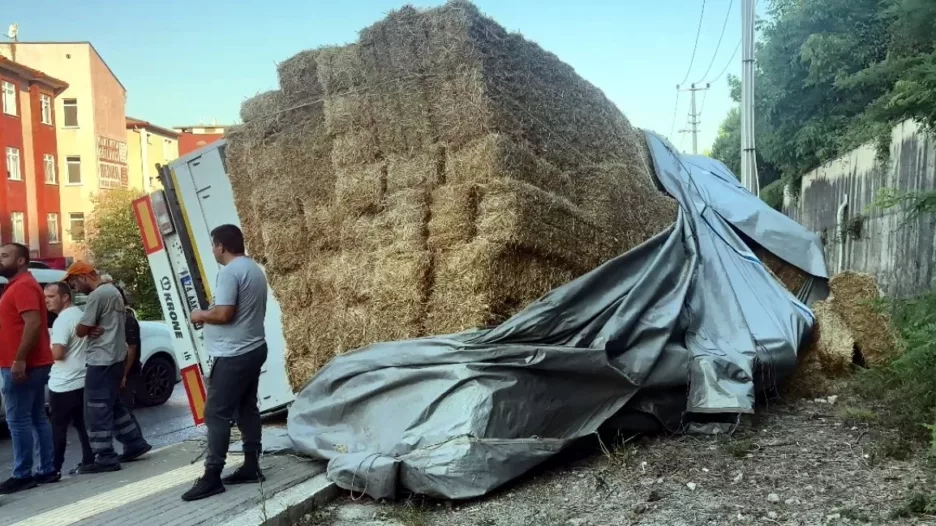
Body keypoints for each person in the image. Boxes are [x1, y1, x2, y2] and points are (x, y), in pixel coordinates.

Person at [182, 224, 268, 501]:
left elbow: (224, 314)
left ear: (220, 246)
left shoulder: (230, 273)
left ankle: (212, 476)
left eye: (212, 245)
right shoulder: (254, 269)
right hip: (254, 346)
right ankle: (252, 466)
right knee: (246, 408)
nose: (212, 250)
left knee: (216, 413)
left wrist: (199, 315)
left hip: (234, 354)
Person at [64, 262, 151, 473]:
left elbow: (82, 330)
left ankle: (105, 456)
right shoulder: (113, 292)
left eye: (73, 282)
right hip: (115, 358)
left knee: (95, 410)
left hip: (100, 360)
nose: (73, 288)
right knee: (113, 406)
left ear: (83, 276)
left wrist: (84, 327)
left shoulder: (97, 296)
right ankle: (134, 442)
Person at [0, 243, 57, 492]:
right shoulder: (21, 284)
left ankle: (23, 474)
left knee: (18, 419)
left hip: (22, 365)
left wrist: (20, 359)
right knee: (36, 417)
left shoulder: (23, 285)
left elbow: (33, 324)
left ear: (21, 260)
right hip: (31, 363)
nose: (0, 259)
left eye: (5, 255)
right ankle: (46, 470)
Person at [45, 282, 95, 476]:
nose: (46, 301)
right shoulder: (80, 315)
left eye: (51, 297)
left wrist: (42, 353)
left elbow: (58, 353)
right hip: (82, 379)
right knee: (82, 424)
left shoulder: (62, 321)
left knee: (58, 428)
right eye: (45, 297)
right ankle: (89, 460)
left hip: (63, 383)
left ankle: (53, 468)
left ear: (65, 297)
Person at [113, 285, 141, 412]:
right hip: (117, 370)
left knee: (125, 409)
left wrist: (124, 375)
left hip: (128, 372)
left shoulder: (128, 320)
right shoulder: (115, 319)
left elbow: (132, 348)